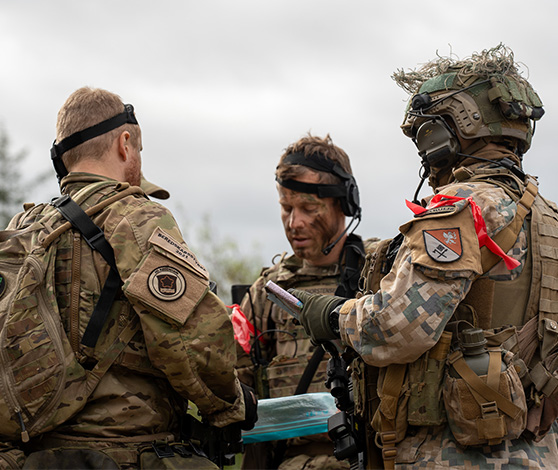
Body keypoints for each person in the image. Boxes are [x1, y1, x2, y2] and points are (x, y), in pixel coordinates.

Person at [291, 45, 558, 469]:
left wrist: (333, 315)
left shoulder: (462, 208)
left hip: (453, 453)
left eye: (425, 131)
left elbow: (395, 329)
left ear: (446, 134)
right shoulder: (549, 219)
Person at [4, 87, 256, 469]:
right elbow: (192, 343)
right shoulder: (136, 217)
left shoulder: (27, 228)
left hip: (39, 457)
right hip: (126, 453)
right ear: (125, 144)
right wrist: (233, 403)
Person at [237, 133, 379, 470]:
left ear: (343, 204)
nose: (294, 222)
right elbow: (236, 391)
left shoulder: (378, 277)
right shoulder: (266, 294)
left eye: (308, 208)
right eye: (286, 208)